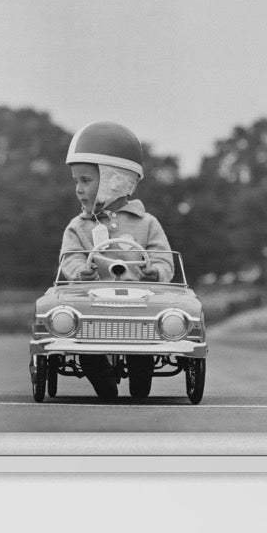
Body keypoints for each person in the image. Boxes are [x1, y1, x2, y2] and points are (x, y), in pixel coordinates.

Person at [56, 121, 175, 400]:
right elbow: (70, 257)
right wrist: (78, 272)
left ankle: (140, 381)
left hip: (140, 302)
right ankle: (105, 385)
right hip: (92, 301)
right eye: (76, 182)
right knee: (87, 348)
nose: (78, 189)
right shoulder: (78, 226)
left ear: (115, 181)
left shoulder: (146, 223)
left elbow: (163, 258)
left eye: (85, 181)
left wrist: (155, 272)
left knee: (142, 348)